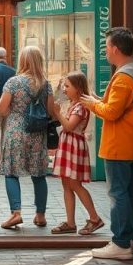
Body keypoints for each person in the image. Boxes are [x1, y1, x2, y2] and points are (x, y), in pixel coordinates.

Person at [80, 26, 133, 260]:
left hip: (118, 145)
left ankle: (121, 243)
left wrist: (93, 105)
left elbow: (112, 112)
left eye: (107, 47)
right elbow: (119, 106)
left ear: (116, 49)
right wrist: (97, 99)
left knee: (118, 194)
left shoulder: (123, 77)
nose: (105, 52)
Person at [0, 46, 56, 230]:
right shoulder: (45, 84)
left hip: (15, 132)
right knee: (39, 174)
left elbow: (1, 109)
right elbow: (51, 111)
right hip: (37, 133)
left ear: (22, 60)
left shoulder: (13, 82)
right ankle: (40, 215)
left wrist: (14, 113)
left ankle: (16, 213)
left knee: (11, 172)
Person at [51, 72, 105, 235]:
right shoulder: (74, 104)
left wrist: (57, 113)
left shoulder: (81, 106)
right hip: (68, 145)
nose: (64, 89)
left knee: (75, 184)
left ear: (78, 88)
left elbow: (69, 127)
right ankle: (70, 222)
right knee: (66, 184)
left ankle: (95, 218)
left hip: (73, 146)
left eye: (67, 86)